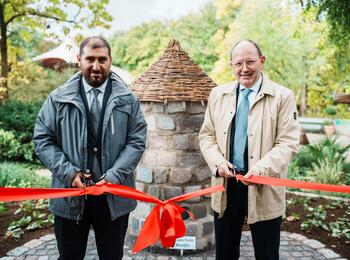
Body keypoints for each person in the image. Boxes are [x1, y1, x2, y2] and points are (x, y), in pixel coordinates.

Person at [33, 37, 147, 260]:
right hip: (70, 196)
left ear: (110, 61)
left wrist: (114, 176)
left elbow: (137, 141)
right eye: (90, 59)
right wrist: (70, 173)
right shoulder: (57, 99)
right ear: (79, 60)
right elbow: (43, 139)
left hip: (113, 196)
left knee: (112, 257)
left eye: (102, 59)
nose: (96, 66)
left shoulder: (129, 100)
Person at [198, 40, 299, 260]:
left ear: (262, 61)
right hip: (226, 185)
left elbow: (288, 143)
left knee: (267, 254)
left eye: (250, 62)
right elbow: (206, 136)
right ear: (231, 65)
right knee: (225, 254)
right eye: (238, 63)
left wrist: (261, 170)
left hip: (264, 187)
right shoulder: (217, 94)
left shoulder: (283, 96)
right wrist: (218, 163)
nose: (244, 69)